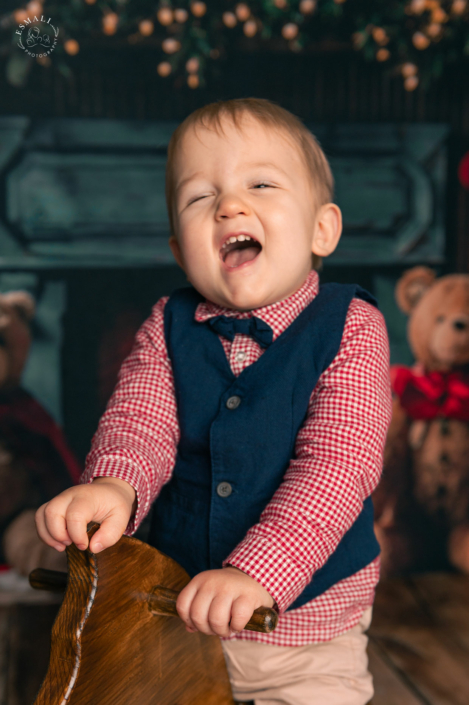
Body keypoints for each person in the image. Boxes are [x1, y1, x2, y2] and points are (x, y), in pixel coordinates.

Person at [35, 97, 393, 705]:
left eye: (260, 183)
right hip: (175, 611)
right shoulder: (167, 324)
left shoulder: (352, 326)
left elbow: (336, 467)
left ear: (321, 229)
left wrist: (260, 569)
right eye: (201, 197)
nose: (230, 204)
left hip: (305, 631)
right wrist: (113, 487)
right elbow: (139, 423)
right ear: (180, 249)